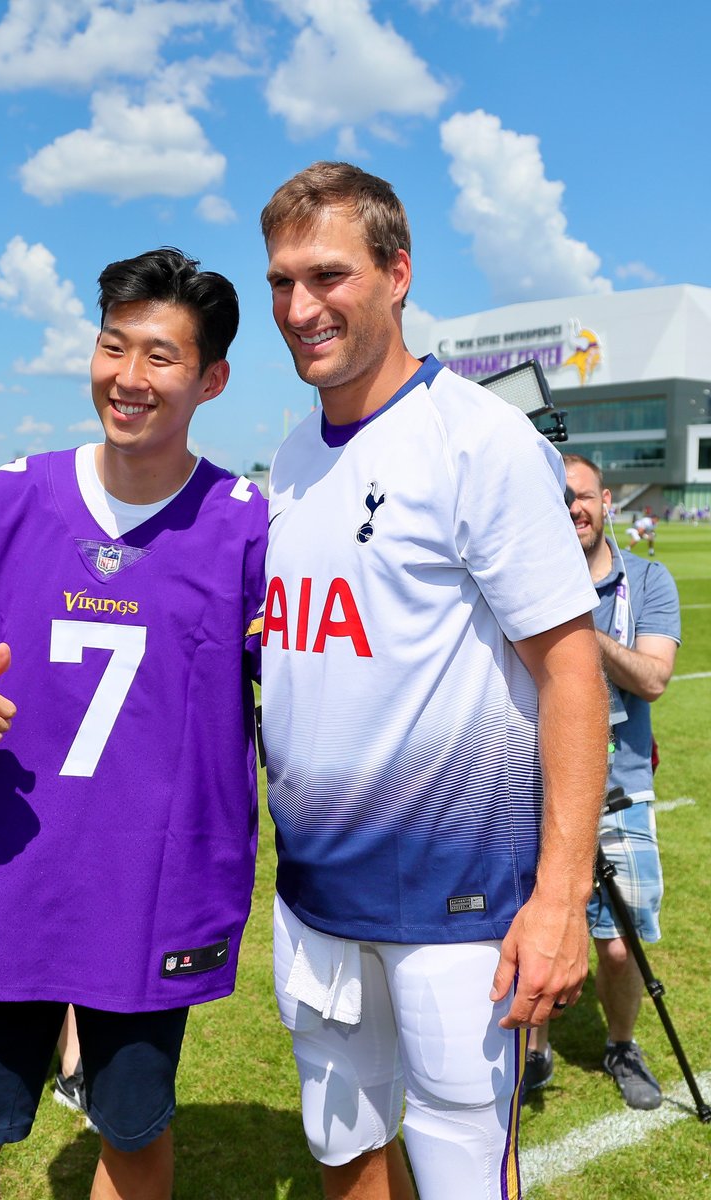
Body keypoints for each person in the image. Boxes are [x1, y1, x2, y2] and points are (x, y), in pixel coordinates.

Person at [258, 162, 609, 1200]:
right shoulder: (288, 458)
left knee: (461, 1167)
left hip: (459, 905)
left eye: (328, 275)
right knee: (343, 1150)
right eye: (281, 282)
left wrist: (562, 896)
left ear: (397, 272)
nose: (299, 307)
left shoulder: (481, 440)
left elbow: (573, 673)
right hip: (317, 892)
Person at [0, 248, 267, 1200]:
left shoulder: (247, 526)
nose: (129, 377)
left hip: (154, 883)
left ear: (212, 379)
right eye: (114, 347)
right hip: (3, 873)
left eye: (161, 357)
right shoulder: (6, 497)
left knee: (131, 1139)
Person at [523, 455, 680, 1110]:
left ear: (606, 501)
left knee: (619, 949)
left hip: (620, 791)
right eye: (560, 501)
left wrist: (580, 628)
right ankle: (533, 1052)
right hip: (536, 790)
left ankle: (620, 1043)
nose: (572, 511)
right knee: (530, 927)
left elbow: (652, 677)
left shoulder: (646, 580)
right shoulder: (529, 580)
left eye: (582, 498)